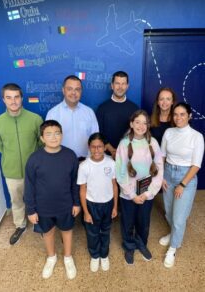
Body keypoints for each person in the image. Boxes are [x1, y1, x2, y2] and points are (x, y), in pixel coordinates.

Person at [24, 120, 80, 280]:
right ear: (42, 138)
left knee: (67, 231)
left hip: (66, 205)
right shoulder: (34, 159)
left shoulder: (70, 155)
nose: (53, 137)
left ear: (62, 135)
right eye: (48, 134)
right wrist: (31, 209)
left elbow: (75, 182)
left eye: (57, 133)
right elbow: (29, 185)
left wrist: (76, 202)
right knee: (47, 233)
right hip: (43, 207)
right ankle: (51, 256)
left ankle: (68, 257)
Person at [0, 83, 42, 245]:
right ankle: (20, 225)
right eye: (9, 98)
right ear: (3, 100)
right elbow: (0, 147)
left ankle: (40, 224)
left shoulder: (35, 119)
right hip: (12, 171)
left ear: (21, 98)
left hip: (34, 172)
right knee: (17, 201)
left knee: (38, 199)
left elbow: (41, 145)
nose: (13, 101)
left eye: (16, 97)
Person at [160, 102, 204, 268]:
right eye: (175, 114)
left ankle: (173, 248)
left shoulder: (196, 136)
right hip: (168, 174)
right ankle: (173, 234)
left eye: (182, 114)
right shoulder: (168, 132)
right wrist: (162, 176)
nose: (178, 118)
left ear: (189, 116)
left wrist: (182, 184)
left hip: (186, 177)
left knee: (179, 217)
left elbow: (196, 165)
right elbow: (162, 156)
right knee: (169, 211)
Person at [115, 110, 163, 264]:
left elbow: (159, 169)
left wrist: (148, 193)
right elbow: (120, 171)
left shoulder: (153, 143)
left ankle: (141, 244)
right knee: (128, 221)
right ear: (131, 124)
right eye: (137, 122)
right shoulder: (124, 144)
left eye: (145, 123)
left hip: (146, 194)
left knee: (143, 221)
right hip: (128, 195)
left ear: (148, 125)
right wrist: (132, 195)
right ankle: (129, 246)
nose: (141, 126)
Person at [77, 133, 118, 272]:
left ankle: (104, 255)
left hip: (108, 203)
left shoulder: (111, 163)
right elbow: (82, 190)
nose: (96, 150)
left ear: (104, 147)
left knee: (106, 231)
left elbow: (114, 186)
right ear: (89, 147)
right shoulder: (84, 166)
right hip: (91, 205)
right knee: (92, 232)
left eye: (100, 147)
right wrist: (86, 212)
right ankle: (95, 256)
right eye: (93, 147)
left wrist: (115, 206)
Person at [46, 75, 99, 160]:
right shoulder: (53, 114)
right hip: (61, 162)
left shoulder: (89, 113)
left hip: (85, 163)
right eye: (69, 89)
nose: (73, 93)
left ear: (81, 91)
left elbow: (96, 139)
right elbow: (48, 142)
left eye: (77, 89)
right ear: (63, 90)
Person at [96, 71, 139, 159]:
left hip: (129, 156)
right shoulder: (102, 108)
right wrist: (112, 151)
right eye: (117, 83)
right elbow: (99, 133)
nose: (120, 87)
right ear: (112, 86)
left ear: (127, 86)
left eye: (123, 84)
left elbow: (137, 133)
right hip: (106, 156)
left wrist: (123, 152)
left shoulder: (135, 109)